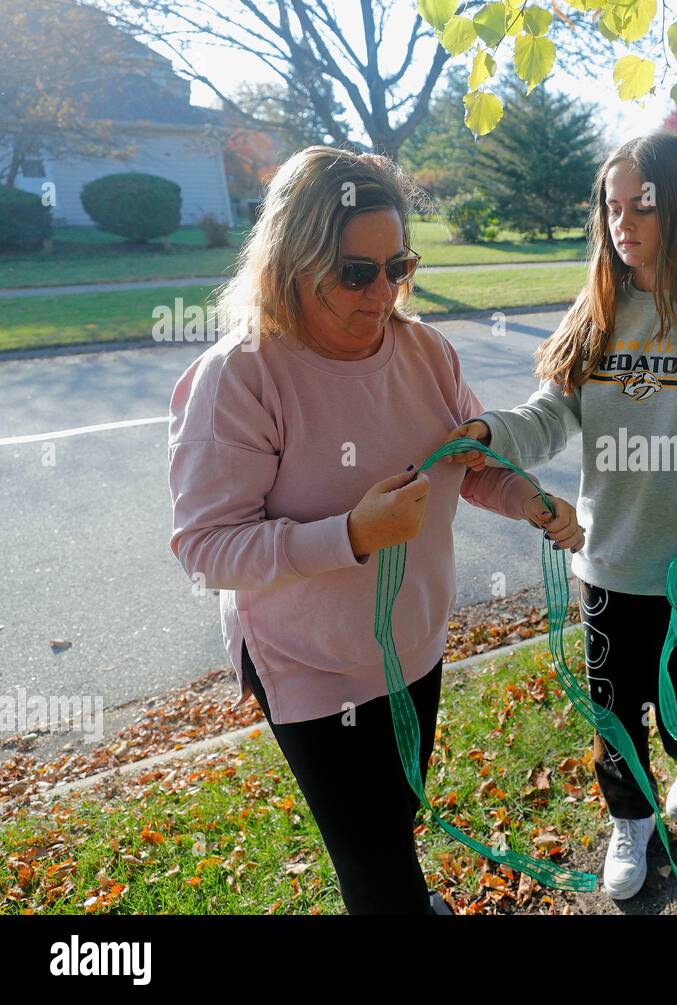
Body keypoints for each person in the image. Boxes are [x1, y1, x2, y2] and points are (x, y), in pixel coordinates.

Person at [166, 146, 583, 915]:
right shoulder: (242, 377)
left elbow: (463, 463)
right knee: (376, 869)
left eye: (399, 265)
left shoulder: (426, 351)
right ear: (293, 263)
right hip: (311, 669)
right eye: (356, 272)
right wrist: (351, 533)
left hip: (412, 646)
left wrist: (526, 498)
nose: (384, 292)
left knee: (398, 820)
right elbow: (206, 548)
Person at [438, 132, 677, 900]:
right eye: (612, 206)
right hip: (607, 563)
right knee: (614, 715)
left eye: (643, 205)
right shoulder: (599, 301)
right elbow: (549, 413)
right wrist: (490, 435)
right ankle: (629, 820)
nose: (623, 222)